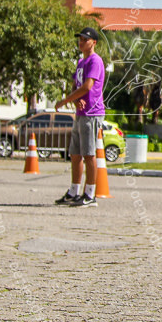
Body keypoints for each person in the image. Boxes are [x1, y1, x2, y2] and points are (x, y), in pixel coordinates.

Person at [54, 27, 106, 208]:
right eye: (80, 39)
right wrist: (75, 102)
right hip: (81, 113)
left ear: (94, 42)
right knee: (75, 154)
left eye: (85, 39)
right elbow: (76, 85)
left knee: (89, 154)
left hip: (92, 113)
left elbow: (87, 86)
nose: (81, 42)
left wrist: (65, 101)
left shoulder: (95, 61)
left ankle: (90, 194)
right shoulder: (80, 62)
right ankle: (74, 191)